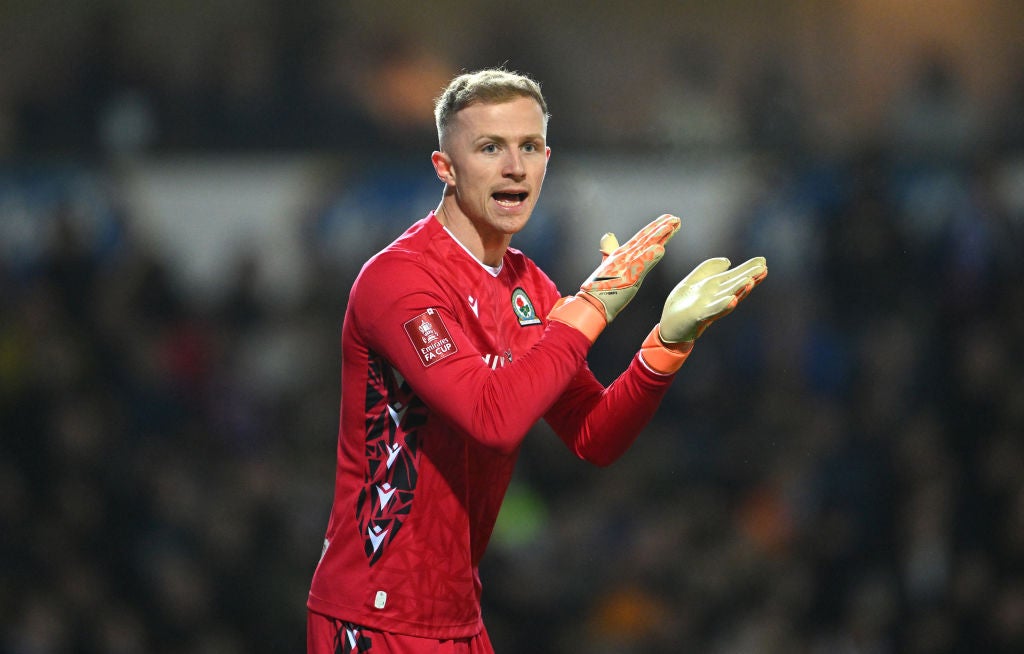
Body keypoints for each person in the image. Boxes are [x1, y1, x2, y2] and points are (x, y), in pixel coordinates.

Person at [307, 68, 767, 654]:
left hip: (459, 617)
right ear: (445, 168)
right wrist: (592, 307)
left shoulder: (529, 287)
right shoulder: (398, 281)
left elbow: (592, 435)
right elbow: (491, 419)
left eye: (529, 147)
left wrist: (665, 347)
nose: (514, 167)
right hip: (375, 620)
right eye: (490, 148)